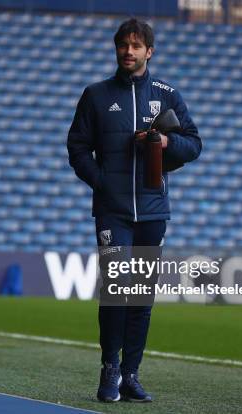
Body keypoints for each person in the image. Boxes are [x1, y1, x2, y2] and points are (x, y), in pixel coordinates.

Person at [67, 18, 202, 403]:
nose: (129, 51)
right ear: (117, 49)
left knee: (141, 297)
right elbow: (76, 148)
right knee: (116, 291)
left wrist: (163, 143)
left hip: (153, 211)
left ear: (149, 52)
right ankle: (109, 370)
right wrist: (102, 182)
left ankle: (131, 375)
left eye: (136, 45)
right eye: (123, 45)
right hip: (113, 212)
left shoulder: (167, 95)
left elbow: (194, 144)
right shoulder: (95, 95)